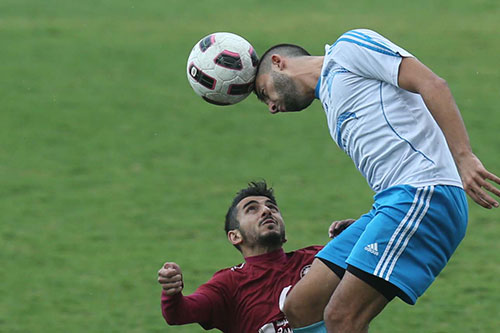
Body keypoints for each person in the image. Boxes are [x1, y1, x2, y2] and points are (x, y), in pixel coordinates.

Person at [253, 28, 500, 332]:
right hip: (392, 204)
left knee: (342, 317)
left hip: (425, 193)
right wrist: (370, 226)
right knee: (301, 304)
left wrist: (464, 157)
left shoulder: (348, 49)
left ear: (278, 62)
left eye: (266, 94)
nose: (272, 107)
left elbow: (432, 83)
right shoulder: (331, 107)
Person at [157, 181, 355, 332]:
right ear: (235, 236)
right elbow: (178, 314)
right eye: (252, 209)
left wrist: (356, 239)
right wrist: (171, 292)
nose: (267, 210)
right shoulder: (229, 284)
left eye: (272, 208)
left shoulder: (317, 259)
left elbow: (372, 272)